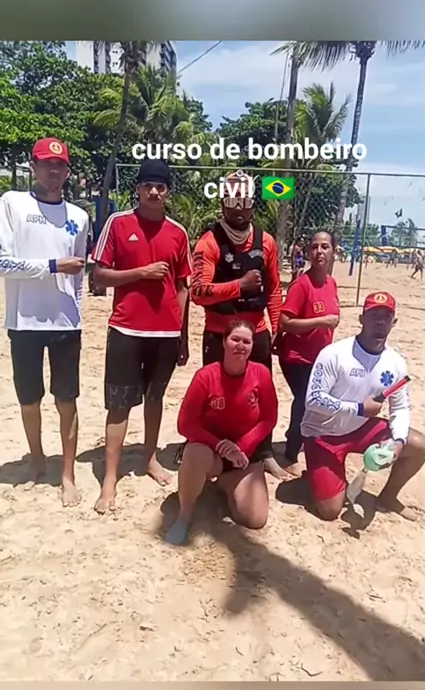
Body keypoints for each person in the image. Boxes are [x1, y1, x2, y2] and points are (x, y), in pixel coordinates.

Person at [91, 158, 191, 514]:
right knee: (119, 405)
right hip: (126, 329)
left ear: (168, 192)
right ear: (138, 189)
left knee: (154, 399)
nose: (154, 192)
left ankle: (149, 458)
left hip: (165, 332)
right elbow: (99, 275)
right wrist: (140, 273)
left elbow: (182, 287)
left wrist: (182, 335)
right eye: (148, 185)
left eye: (160, 186)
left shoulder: (178, 233)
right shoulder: (118, 223)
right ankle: (110, 478)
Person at [0, 138, 88, 505]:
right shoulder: (12, 203)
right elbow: (2, 263)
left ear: (67, 171)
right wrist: (52, 266)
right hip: (24, 321)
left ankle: (67, 473)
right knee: (29, 399)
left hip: (65, 323)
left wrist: (77, 311)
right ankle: (37, 459)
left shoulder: (79, 216)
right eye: (46, 164)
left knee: (66, 399)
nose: (53, 170)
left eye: (59, 165)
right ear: (33, 167)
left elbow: (79, 274)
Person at [301, 291, 425, 522]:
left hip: (361, 428)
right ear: (361, 318)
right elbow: (313, 400)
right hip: (323, 433)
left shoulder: (396, 363)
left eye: (386, 316)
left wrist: (398, 444)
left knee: (419, 445)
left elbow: (400, 408)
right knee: (330, 511)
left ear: (394, 322)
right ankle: (315, 476)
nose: (380, 321)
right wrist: (359, 409)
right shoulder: (334, 354)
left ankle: (388, 497)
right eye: (374, 315)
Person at [191, 169, 287, 479]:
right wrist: (238, 286)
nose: (238, 208)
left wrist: (277, 327)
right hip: (220, 334)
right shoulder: (209, 243)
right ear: (222, 202)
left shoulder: (266, 242)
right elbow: (197, 292)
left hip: (256, 333)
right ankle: (213, 451)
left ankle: (264, 452)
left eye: (244, 201)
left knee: (262, 395)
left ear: (252, 204)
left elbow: (274, 289)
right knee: (216, 397)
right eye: (232, 200)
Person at [167, 320, 278, 545]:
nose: (240, 346)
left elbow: (269, 418)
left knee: (255, 519)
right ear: (224, 342)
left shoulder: (261, 374)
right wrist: (219, 445)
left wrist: (242, 448)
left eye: (246, 341)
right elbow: (185, 424)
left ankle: (227, 482)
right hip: (212, 452)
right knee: (194, 453)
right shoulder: (206, 376)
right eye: (235, 339)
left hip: (245, 455)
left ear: (252, 346)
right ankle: (185, 515)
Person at [277, 231, 340, 476]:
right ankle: (290, 454)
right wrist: (320, 321)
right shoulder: (302, 285)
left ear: (334, 251)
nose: (319, 251)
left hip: (320, 359)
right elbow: (285, 322)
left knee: (316, 403)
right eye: (314, 247)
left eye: (325, 246)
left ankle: (305, 441)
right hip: (297, 358)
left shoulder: (331, 284)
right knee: (305, 402)